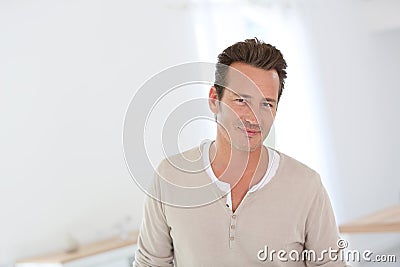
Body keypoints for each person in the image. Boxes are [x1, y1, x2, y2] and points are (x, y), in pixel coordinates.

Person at [134, 38, 345, 266]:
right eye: (242, 100)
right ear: (215, 100)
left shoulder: (307, 185)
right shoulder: (170, 176)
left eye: (267, 104)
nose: (254, 117)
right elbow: (150, 263)